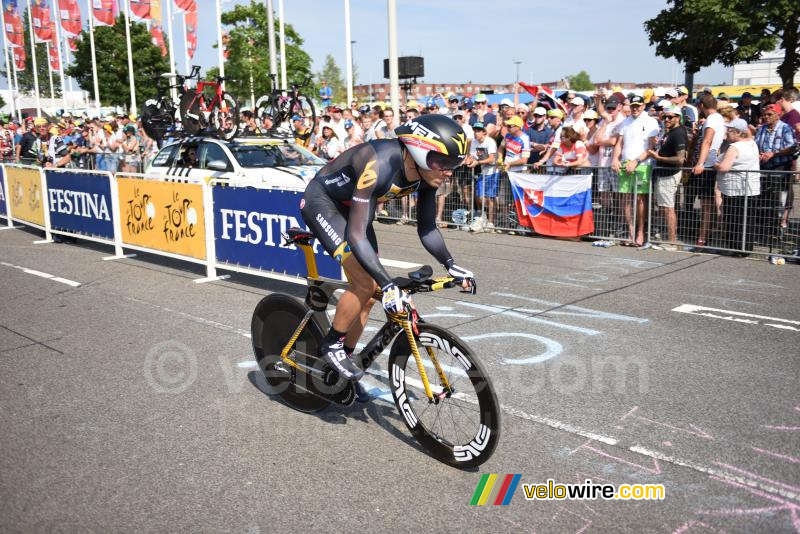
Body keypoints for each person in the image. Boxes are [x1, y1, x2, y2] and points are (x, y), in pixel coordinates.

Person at [300, 114, 475, 394]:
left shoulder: (425, 174)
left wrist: (451, 264)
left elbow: (427, 229)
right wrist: (389, 284)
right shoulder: (379, 163)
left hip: (354, 211)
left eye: (454, 164)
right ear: (419, 151)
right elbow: (356, 236)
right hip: (324, 202)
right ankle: (331, 343)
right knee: (366, 282)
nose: (449, 171)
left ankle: (344, 360)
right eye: (444, 162)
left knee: (369, 297)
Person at [611, 95, 660, 246]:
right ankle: (631, 232)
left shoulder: (651, 121)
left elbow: (651, 147)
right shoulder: (625, 121)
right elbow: (619, 143)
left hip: (643, 164)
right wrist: (615, 158)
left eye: (638, 105)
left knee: (640, 199)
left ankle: (640, 232)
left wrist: (636, 161)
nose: (635, 108)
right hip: (626, 163)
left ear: (643, 106)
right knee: (625, 199)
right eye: (633, 105)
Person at [714, 118, 760, 255]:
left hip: (735, 189)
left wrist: (714, 164)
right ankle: (746, 249)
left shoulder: (735, 147)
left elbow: (723, 167)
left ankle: (735, 248)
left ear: (738, 132)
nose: (726, 133)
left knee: (733, 218)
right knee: (747, 219)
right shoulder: (752, 143)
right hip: (750, 188)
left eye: (729, 131)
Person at [647, 105, 688, 249]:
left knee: (668, 208)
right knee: (665, 207)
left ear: (678, 118)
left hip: (669, 174)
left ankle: (672, 242)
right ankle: (670, 240)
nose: (667, 119)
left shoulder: (678, 133)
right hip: (664, 173)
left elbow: (680, 159)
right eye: (665, 117)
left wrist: (658, 157)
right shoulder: (670, 132)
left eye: (670, 117)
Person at [689, 93, 726, 247]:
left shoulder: (712, 119)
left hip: (708, 164)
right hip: (712, 161)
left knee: (706, 204)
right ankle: (707, 235)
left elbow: (707, 141)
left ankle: (703, 238)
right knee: (709, 202)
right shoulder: (718, 118)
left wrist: (700, 163)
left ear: (702, 106)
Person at [466, 121, 498, 231]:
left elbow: (491, 158)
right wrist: (468, 160)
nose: (476, 133)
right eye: (475, 130)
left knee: (490, 198)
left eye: (479, 130)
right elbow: (472, 156)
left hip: (493, 171)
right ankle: (482, 215)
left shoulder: (490, 142)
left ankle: (490, 221)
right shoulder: (474, 142)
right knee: (479, 197)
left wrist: (477, 163)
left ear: (484, 132)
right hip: (483, 171)